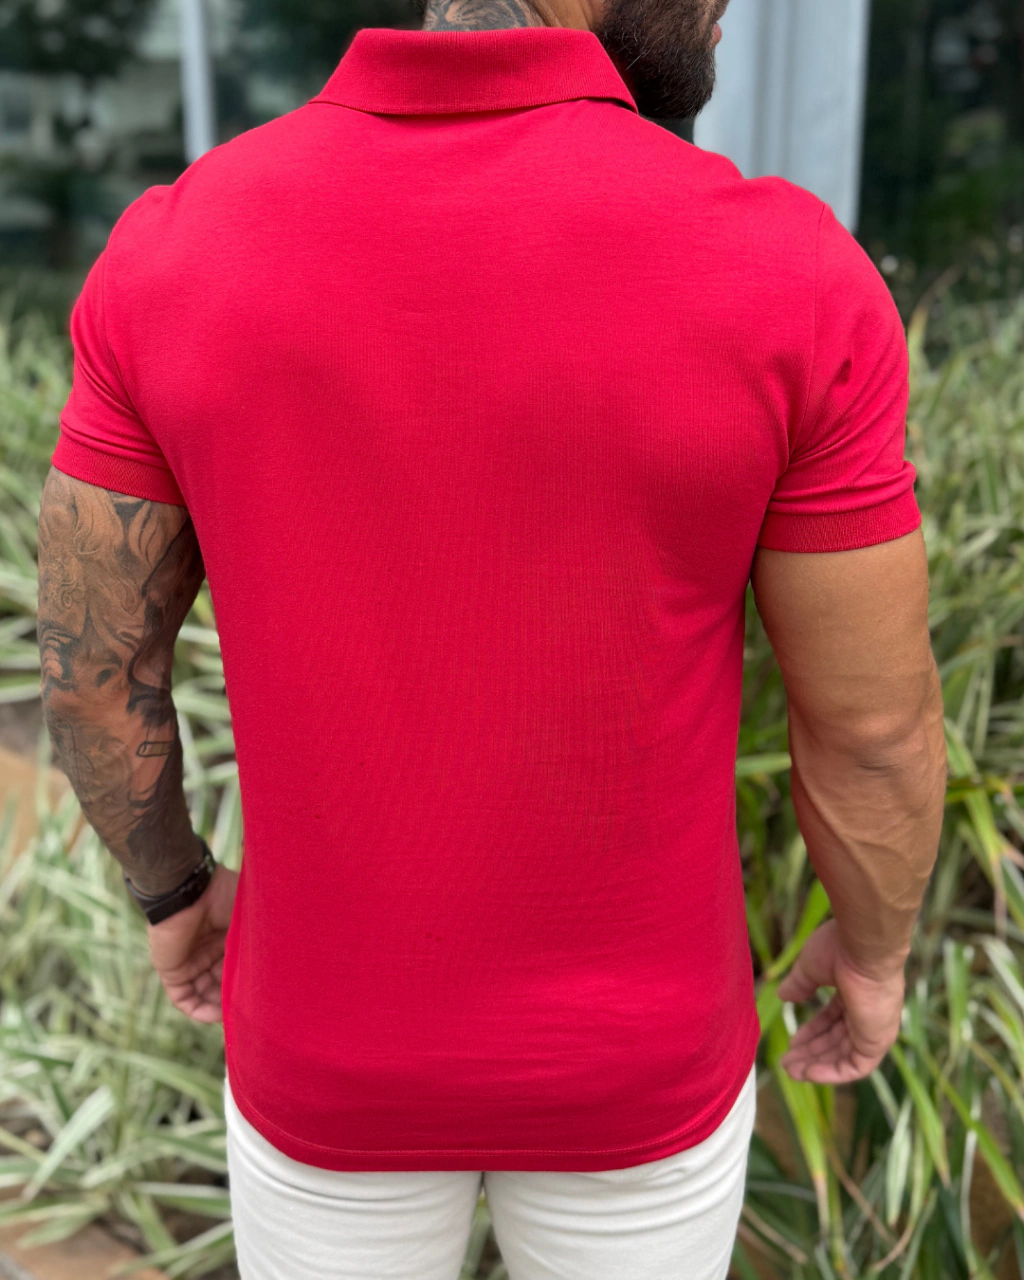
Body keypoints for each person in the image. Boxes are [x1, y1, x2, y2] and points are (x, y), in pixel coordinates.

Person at [34, 0, 948, 1273]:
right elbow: (873, 729)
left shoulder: (179, 249)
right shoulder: (786, 272)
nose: (725, 13)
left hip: (324, 1049)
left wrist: (173, 891)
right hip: (637, 1069)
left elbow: (91, 670)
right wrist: (875, 947)